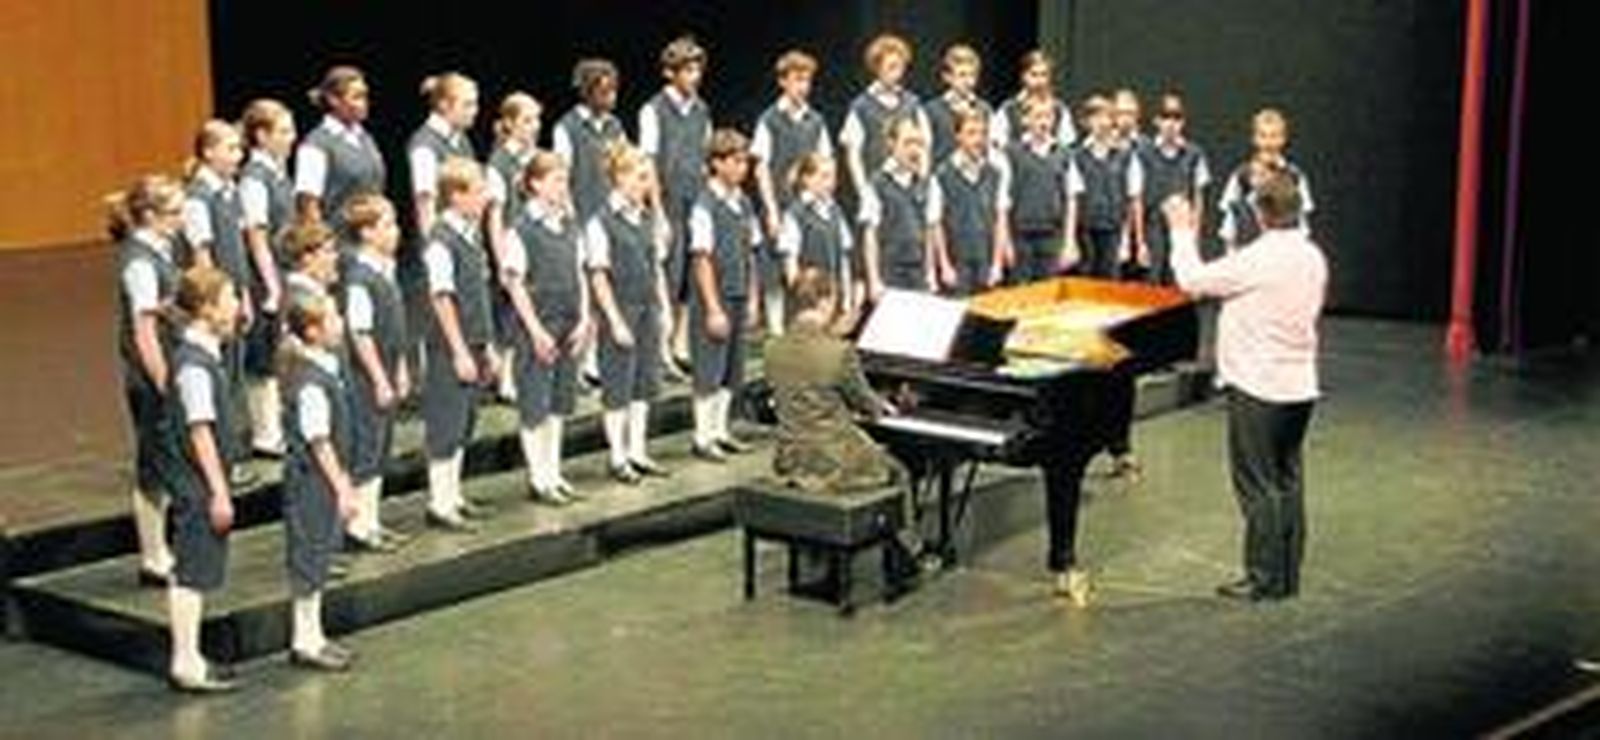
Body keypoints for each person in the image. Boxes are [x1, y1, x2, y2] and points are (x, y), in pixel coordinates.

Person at [1164, 169, 1327, 602]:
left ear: (1260, 213)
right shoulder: (1312, 255)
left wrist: (1181, 230)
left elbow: (1191, 281)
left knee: (1257, 484)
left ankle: (1263, 577)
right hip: (1299, 385)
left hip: (1260, 385)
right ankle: (1286, 574)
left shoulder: (1259, 258)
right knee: (1287, 479)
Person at [163, 265, 243, 693]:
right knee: (191, 571)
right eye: (229, 298)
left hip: (201, 484)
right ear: (208, 309)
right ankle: (186, 660)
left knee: (197, 567)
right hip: (197, 485)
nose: (236, 306)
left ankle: (191, 656)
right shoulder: (194, 366)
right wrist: (218, 491)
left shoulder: (207, 353)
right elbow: (199, 430)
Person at [110, 174, 186, 588]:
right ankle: (153, 555)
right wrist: (162, 380)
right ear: (149, 216)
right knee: (153, 466)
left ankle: (164, 547)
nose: (181, 219)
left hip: (169, 366)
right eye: (174, 212)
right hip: (151, 375)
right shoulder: (139, 261)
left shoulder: (162, 248)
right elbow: (142, 331)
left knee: (168, 459)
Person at [503, 151, 592, 503]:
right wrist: (536, 330)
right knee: (535, 405)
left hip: (568, 322)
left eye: (564, 179)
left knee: (558, 404)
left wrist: (585, 318)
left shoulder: (569, 224)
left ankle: (554, 472)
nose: (562, 186)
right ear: (535, 184)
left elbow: (581, 273)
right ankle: (538, 477)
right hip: (538, 326)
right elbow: (515, 283)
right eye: (555, 180)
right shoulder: (522, 229)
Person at [278, 292, 359, 671]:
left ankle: (315, 636)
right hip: (312, 481)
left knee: (320, 555)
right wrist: (341, 485)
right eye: (333, 317)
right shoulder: (311, 382)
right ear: (312, 331)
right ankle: (304, 640)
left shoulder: (324, 368)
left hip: (323, 480)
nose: (340, 322)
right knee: (309, 558)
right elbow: (318, 439)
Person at [586, 145, 672, 484]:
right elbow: (598, 274)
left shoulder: (647, 217)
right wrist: (615, 320)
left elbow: (655, 267)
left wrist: (663, 307)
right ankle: (617, 456)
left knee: (644, 384)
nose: (646, 185)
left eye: (648, 178)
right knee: (618, 386)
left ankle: (638, 451)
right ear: (620, 178)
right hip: (620, 309)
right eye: (640, 178)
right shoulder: (602, 222)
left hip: (648, 306)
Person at [420, 157, 497, 531]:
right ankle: (439, 502)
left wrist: (488, 346)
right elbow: (442, 297)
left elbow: (477, 295)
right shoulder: (441, 241)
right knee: (446, 423)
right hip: (451, 348)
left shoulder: (470, 234)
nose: (486, 197)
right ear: (456, 196)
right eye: (479, 190)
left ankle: (454, 495)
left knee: (464, 422)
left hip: (476, 340)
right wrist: (460, 349)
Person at [181, 120, 255, 484]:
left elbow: (238, 248)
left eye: (239, 148)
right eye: (230, 148)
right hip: (217, 304)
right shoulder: (198, 198)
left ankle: (235, 454)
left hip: (233, 296)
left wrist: (244, 297)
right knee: (219, 380)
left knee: (234, 377)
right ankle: (221, 462)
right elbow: (202, 255)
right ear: (208, 152)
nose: (238, 155)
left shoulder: (229, 191)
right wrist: (213, 304)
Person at [335, 196, 410, 551]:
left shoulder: (385, 268)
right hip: (366, 378)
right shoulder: (360, 279)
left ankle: (372, 520)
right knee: (365, 450)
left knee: (380, 449)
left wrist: (402, 368)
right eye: (387, 225)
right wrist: (380, 377)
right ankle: (357, 526)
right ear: (366, 233)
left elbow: (396, 329)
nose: (395, 232)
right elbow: (360, 333)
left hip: (388, 369)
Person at [687, 129, 761, 461]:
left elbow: (750, 252)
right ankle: (702, 437)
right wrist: (713, 308)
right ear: (717, 164)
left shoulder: (743, 202)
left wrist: (753, 296)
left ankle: (720, 430)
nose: (742, 167)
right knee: (710, 367)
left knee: (733, 368)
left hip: (739, 292)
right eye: (735, 161)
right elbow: (702, 259)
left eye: (745, 160)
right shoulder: (705, 205)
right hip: (713, 298)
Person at [640, 35, 711, 374]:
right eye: (687, 70)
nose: (694, 77)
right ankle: (660, 349)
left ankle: (680, 344)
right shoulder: (653, 111)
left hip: (694, 200)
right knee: (667, 277)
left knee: (689, 279)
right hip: (668, 201)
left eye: (697, 70)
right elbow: (649, 162)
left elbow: (704, 158)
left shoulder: (701, 110)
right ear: (670, 73)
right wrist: (658, 212)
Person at [751, 49, 832, 337]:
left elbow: (825, 163)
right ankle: (775, 330)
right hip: (781, 205)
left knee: (807, 269)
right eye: (797, 79)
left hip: (809, 207)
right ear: (783, 81)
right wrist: (771, 209)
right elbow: (760, 167)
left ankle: (806, 330)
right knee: (775, 272)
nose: (803, 86)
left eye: (807, 80)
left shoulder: (816, 120)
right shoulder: (770, 120)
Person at [238, 99, 298, 457]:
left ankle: (277, 425)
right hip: (264, 277)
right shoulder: (254, 180)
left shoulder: (277, 171)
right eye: (284, 131)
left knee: (279, 350)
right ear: (261, 136)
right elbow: (256, 237)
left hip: (283, 271)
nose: (291, 138)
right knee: (263, 355)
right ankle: (265, 432)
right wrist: (272, 284)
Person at [484, 92, 543, 401]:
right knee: (509, 314)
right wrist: (501, 258)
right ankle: (506, 379)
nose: (534, 126)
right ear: (509, 123)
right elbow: (495, 217)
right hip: (511, 245)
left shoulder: (536, 158)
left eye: (536, 120)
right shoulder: (499, 163)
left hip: (538, 243)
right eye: (527, 120)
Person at [295, 65, 386, 234]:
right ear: (333, 100)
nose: (364, 103)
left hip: (371, 239)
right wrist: (322, 245)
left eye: (365, 96)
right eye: (356, 97)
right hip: (339, 242)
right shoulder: (316, 145)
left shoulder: (365, 138)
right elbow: (308, 205)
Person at [840, 33, 930, 203]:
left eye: (900, 67)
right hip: (876, 190)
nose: (897, 73)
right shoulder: (861, 107)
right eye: (891, 67)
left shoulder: (912, 103)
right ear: (877, 68)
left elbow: (925, 147)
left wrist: (922, 182)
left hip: (908, 190)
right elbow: (853, 155)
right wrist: (864, 192)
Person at [860, 115, 942, 299]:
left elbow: (929, 231)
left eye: (918, 143)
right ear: (891, 143)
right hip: (889, 272)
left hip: (918, 272)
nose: (914, 150)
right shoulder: (876, 183)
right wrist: (874, 280)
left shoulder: (928, 184)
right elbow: (870, 235)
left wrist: (930, 273)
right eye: (908, 143)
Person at [933, 108, 1012, 295]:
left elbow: (1000, 220)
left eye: (982, 133)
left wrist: (997, 263)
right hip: (957, 262)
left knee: (987, 319)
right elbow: (935, 224)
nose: (978, 139)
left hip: (986, 260)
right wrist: (944, 265)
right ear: (958, 136)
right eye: (971, 133)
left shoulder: (995, 174)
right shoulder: (942, 175)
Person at [1135, 93, 1211, 285]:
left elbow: (1198, 197)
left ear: (1183, 122)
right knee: (1152, 281)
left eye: (1176, 117)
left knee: (1179, 281)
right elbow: (1136, 198)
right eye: (1165, 117)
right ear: (1156, 121)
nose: (1171, 123)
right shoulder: (1143, 154)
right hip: (1153, 225)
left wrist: (1194, 234)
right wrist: (1140, 240)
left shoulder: (1194, 154)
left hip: (1181, 229)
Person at [1067, 95, 1144, 279]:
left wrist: (1126, 239)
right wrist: (1070, 240)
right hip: (1084, 232)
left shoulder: (1126, 157)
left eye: (1107, 116)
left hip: (1114, 232)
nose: (1102, 122)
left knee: (1110, 288)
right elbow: (1072, 199)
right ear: (1086, 122)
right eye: (1096, 117)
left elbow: (1133, 199)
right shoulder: (1075, 155)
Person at [1217, 108, 1314, 250]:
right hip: (1248, 256)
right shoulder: (1240, 177)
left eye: (1274, 136)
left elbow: (1303, 225)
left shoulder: (1296, 177)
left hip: (1284, 257)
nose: (1269, 142)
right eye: (1263, 136)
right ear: (1254, 139)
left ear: (1283, 138)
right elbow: (1229, 225)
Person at [776, 153, 857, 321]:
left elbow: (844, 259)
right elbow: (790, 265)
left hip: (833, 299)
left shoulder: (835, 211)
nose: (831, 182)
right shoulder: (795, 214)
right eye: (824, 176)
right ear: (807, 179)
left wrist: (847, 298)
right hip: (808, 306)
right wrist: (804, 302)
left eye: (833, 176)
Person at [1004, 96, 1072, 283]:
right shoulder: (1012, 153)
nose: (1043, 122)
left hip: (1051, 234)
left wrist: (1069, 241)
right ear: (1025, 120)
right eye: (1038, 116)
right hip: (1020, 234)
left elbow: (1071, 198)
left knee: (1047, 291)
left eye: (1048, 116)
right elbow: (1002, 201)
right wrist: (1006, 241)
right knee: (1021, 292)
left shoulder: (1063, 153)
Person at [991, 50, 1076, 150]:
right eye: (1034, 75)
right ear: (1023, 76)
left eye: (1044, 75)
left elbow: (1067, 146)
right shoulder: (1008, 109)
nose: (1039, 81)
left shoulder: (1059, 110)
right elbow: (997, 144)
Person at [923, 44, 991, 167]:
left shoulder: (984, 109)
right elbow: (925, 151)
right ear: (947, 77)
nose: (968, 81)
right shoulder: (931, 111)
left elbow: (990, 149)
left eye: (972, 75)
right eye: (962, 75)